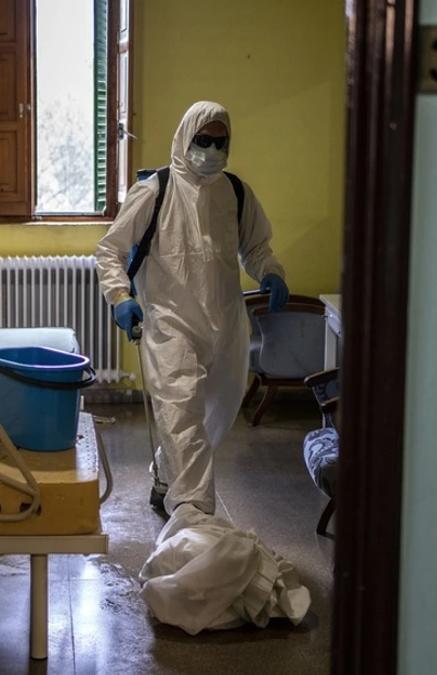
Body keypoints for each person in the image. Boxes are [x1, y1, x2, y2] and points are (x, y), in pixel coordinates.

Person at [95, 101, 289, 517]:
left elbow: (255, 247)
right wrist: (120, 297)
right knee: (181, 413)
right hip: (170, 323)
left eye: (221, 142)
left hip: (225, 324)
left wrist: (269, 272)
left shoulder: (235, 192)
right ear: (186, 137)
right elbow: (109, 249)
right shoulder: (154, 191)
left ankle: (167, 478)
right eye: (204, 140)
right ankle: (194, 517)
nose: (213, 150)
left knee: (211, 416)